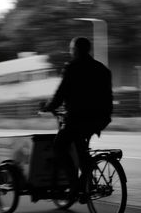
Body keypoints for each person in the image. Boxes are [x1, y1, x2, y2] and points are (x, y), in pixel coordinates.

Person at [42, 36, 113, 201]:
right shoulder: (102, 69)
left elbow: (60, 94)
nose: (70, 51)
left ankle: (75, 184)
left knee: (59, 146)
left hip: (78, 118)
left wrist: (49, 106)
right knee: (81, 149)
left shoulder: (72, 67)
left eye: (71, 49)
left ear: (75, 50)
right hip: (100, 118)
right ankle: (86, 182)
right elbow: (108, 96)